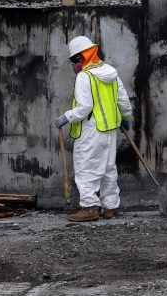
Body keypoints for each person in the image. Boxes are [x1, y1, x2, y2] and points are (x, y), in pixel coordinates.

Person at [53, 36, 133, 222]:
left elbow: (84, 108)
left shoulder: (84, 76)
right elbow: (123, 99)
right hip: (110, 130)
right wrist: (125, 117)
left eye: (76, 59)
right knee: (107, 169)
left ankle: (89, 208)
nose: (76, 63)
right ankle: (110, 207)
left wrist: (67, 117)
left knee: (86, 168)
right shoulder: (111, 72)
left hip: (91, 130)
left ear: (82, 56)